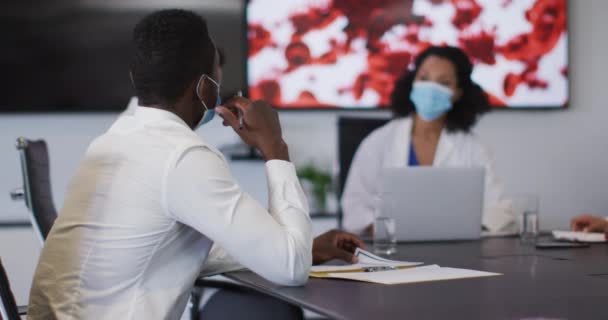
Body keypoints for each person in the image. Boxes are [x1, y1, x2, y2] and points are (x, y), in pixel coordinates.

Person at [28, 10, 362, 320]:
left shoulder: (114, 138)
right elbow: (290, 267)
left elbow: (159, 249)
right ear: (205, 87)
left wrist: (298, 246)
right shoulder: (182, 157)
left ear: (135, 77)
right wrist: (274, 145)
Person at [341, 46, 513, 236]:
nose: (431, 88)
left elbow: (498, 209)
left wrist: (456, 229)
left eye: (444, 82)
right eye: (424, 78)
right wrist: (388, 231)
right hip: (391, 252)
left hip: (454, 252)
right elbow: (354, 207)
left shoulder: (473, 148)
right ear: (413, 82)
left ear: (458, 93)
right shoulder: (378, 142)